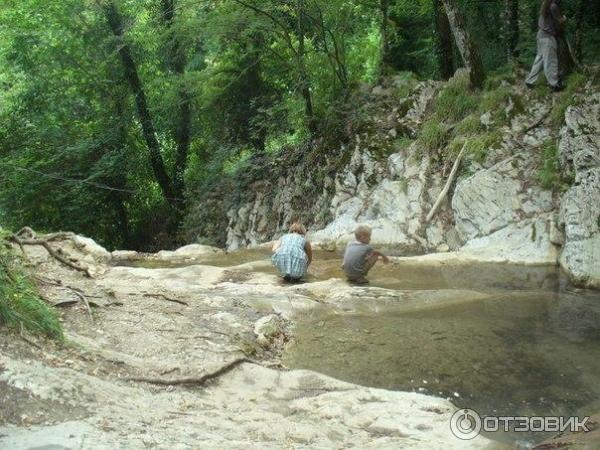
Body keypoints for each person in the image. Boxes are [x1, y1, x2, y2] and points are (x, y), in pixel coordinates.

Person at [525, 0, 567, 92]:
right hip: (547, 37)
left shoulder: (545, 4)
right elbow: (560, 20)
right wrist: (564, 18)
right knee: (551, 61)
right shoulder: (553, 6)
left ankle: (530, 81)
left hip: (540, 35)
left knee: (539, 60)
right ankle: (554, 84)